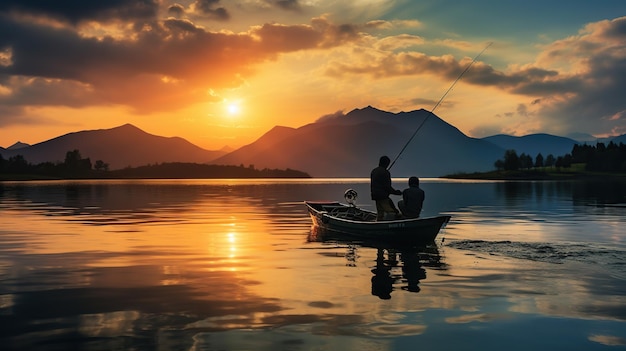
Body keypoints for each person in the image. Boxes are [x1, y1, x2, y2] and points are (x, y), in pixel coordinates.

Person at [370, 155, 402, 220]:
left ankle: (379, 223)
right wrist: (397, 192)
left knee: (380, 213)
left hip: (375, 195)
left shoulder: (374, 171)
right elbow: (387, 187)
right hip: (383, 197)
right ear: (386, 164)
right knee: (393, 212)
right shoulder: (385, 172)